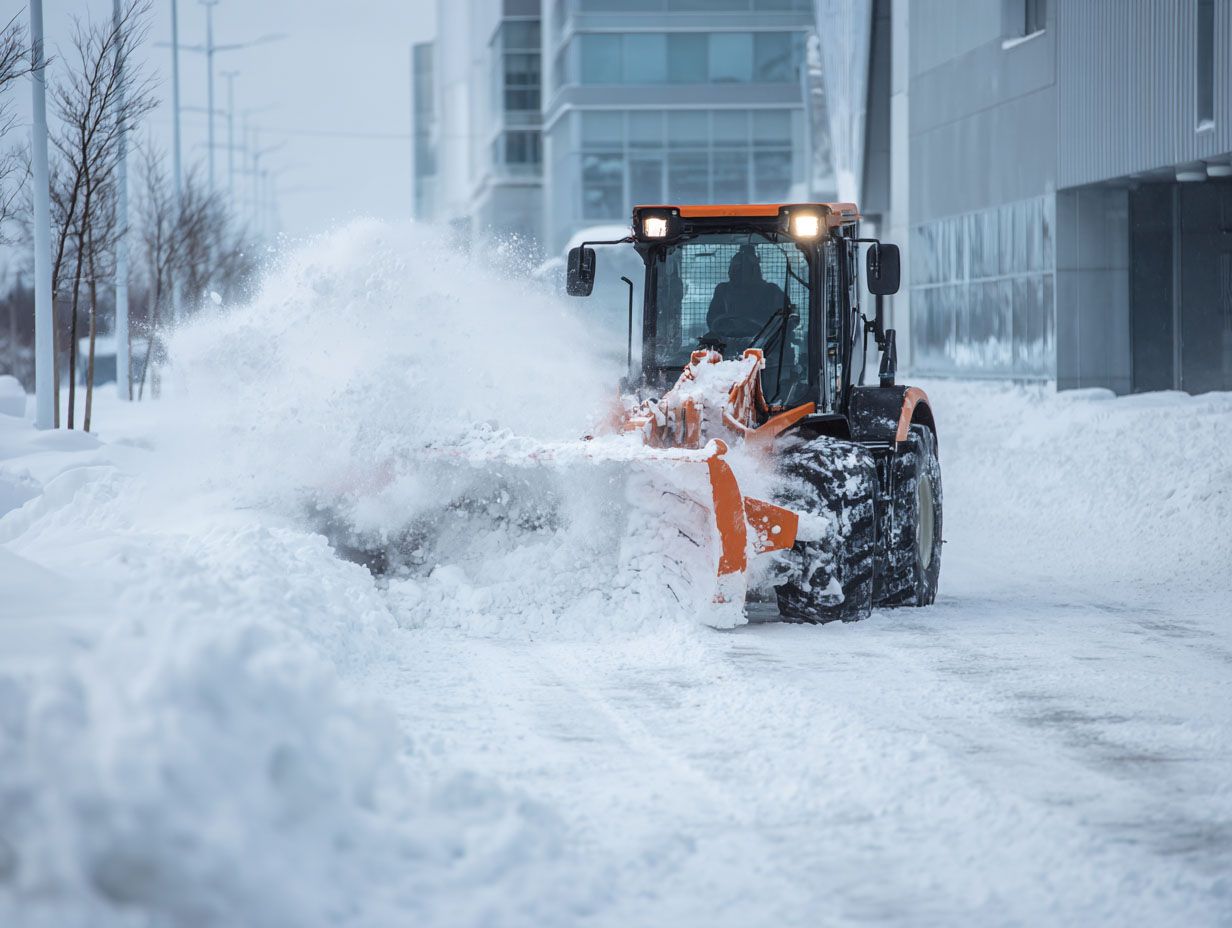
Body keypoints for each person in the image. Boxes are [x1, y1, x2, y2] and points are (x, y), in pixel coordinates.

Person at [705, 244, 787, 339]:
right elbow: (713, 320)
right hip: (728, 343)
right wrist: (729, 326)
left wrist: (758, 327)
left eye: (746, 267)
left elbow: (787, 319)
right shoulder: (723, 290)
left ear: (755, 269)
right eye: (737, 267)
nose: (741, 272)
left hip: (765, 344)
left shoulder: (771, 291)